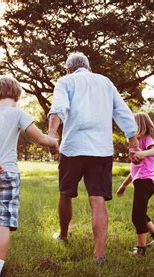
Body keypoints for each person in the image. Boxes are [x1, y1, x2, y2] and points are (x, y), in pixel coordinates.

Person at [48, 52, 138, 265]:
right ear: (87, 67)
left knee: (65, 193)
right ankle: (99, 255)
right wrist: (133, 142)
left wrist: (52, 134)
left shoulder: (65, 81)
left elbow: (58, 108)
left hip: (73, 148)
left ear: (69, 69)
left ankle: (63, 235)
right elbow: (123, 112)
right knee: (97, 200)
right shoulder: (105, 82)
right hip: (101, 149)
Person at [0, 76, 58, 277]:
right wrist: (54, 142)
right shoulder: (17, 113)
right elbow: (41, 138)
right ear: (16, 94)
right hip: (7, 173)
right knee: (3, 221)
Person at [116, 113, 154, 255]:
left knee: (137, 216)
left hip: (146, 182)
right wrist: (124, 185)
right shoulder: (136, 143)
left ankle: (141, 250)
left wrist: (142, 153)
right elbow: (134, 172)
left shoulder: (146, 139)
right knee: (141, 213)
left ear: (138, 125)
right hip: (143, 181)